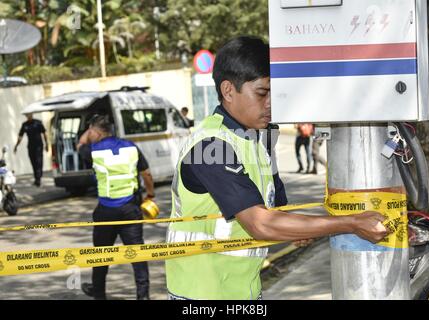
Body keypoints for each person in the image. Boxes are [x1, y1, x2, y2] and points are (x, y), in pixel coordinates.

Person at [164, 36, 388, 300]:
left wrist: (295, 227)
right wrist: (350, 223)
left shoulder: (261, 134)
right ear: (228, 91)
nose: (271, 103)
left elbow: (274, 200)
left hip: (245, 289)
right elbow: (261, 224)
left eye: (275, 93)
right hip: (201, 294)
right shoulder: (210, 146)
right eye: (261, 93)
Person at [76, 115, 155, 300]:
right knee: (138, 255)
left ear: (95, 132)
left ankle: (98, 293)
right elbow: (147, 174)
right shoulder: (131, 147)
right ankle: (143, 296)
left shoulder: (92, 151)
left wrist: (86, 134)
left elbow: (79, 145)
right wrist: (150, 195)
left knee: (101, 254)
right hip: (130, 209)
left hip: (106, 210)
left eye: (90, 131)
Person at [14, 113, 48, 187]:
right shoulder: (25, 125)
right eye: (27, 115)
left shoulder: (38, 123)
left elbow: (44, 133)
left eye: (30, 115)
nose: (29, 116)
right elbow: (20, 136)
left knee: (39, 162)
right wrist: (16, 146)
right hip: (31, 146)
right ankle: (37, 178)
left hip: (39, 145)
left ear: (32, 115)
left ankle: (38, 179)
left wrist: (47, 144)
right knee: (33, 162)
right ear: (26, 116)